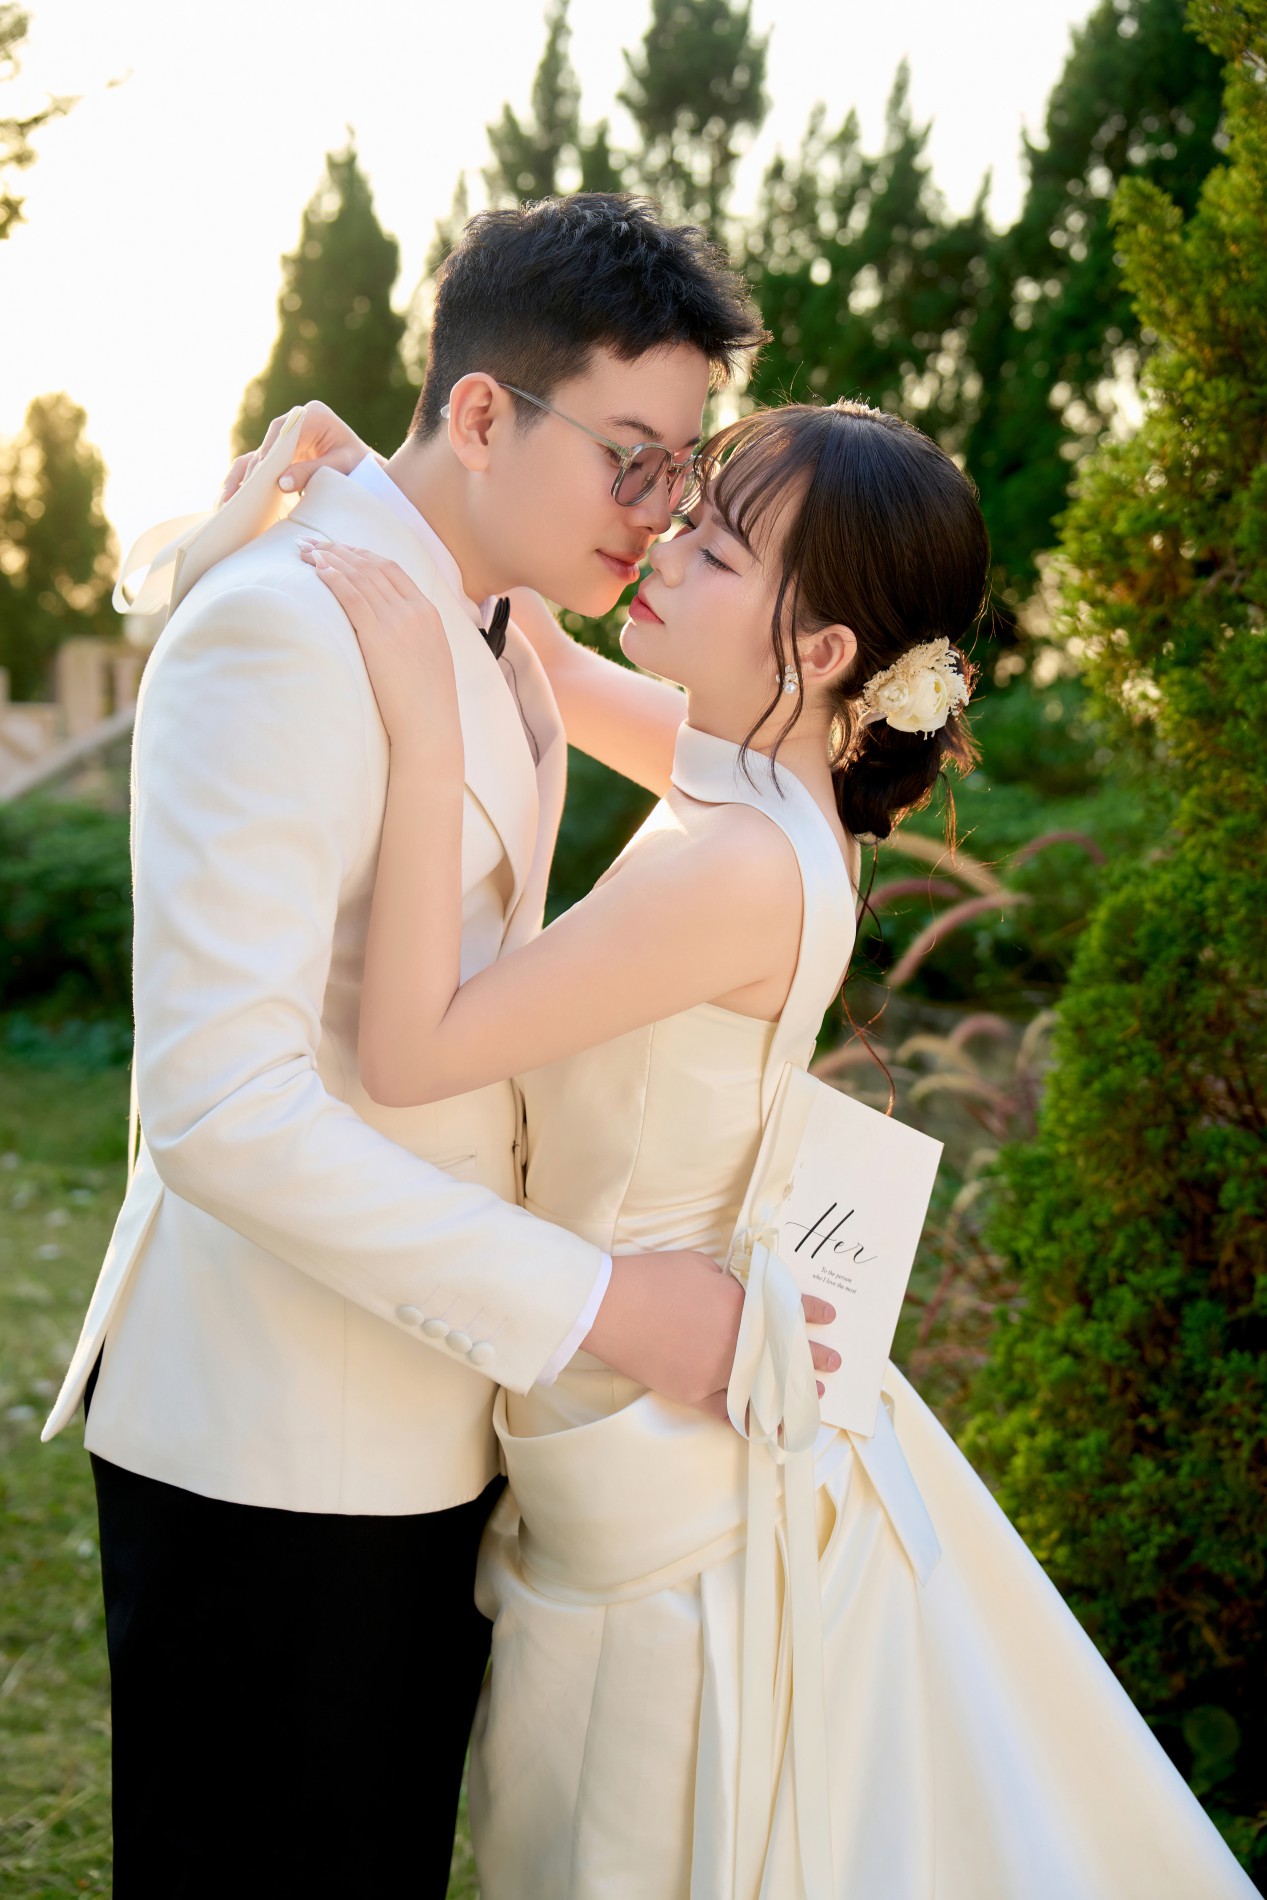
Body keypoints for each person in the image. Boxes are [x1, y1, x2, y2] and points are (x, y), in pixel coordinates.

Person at [293, 395, 1257, 1899]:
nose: (665, 547)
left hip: (657, 1447)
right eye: (689, 518)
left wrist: (423, 732)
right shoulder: (763, 781)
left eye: (721, 549)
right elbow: (555, 661)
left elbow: (414, 1048)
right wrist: (404, 480)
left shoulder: (742, 865)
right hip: (638, 1399)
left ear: (818, 652)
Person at [41, 194, 850, 1900]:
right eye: (631, 458)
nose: (658, 511)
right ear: (482, 412)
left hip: (438, 1421)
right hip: (280, 1434)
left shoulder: (494, 621)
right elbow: (224, 1108)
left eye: (680, 470)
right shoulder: (284, 622)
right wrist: (603, 1303)